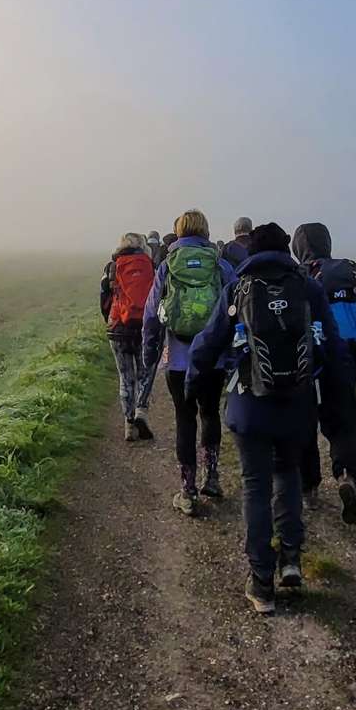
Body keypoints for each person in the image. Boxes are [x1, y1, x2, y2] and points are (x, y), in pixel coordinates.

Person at [189, 222, 356, 614]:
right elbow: (334, 350)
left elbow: (208, 343)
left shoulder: (238, 289)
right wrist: (341, 405)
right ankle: (291, 559)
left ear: (252, 253)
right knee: (288, 475)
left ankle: (262, 582)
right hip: (297, 406)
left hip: (250, 406)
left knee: (255, 486)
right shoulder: (308, 289)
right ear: (287, 252)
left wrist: (193, 384)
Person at [142, 209, 236, 515]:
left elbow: (151, 315)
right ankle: (212, 477)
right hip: (213, 360)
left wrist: (149, 353)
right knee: (210, 414)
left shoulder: (167, 266)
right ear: (206, 231)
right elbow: (237, 310)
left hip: (177, 360)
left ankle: (187, 490)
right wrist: (233, 355)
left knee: (184, 419)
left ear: (179, 231)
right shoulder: (220, 266)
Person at [291, 222, 356, 523]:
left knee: (305, 426)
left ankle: (309, 488)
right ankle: (346, 476)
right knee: (343, 426)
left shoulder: (300, 278)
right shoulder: (349, 274)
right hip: (344, 362)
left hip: (310, 364)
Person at [100, 232, 157, 440]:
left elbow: (104, 298)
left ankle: (129, 425)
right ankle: (141, 411)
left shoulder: (112, 267)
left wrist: (109, 319)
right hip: (144, 327)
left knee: (125, 378)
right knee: (144, 374)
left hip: (118, 328)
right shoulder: (150, 265)